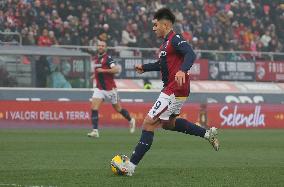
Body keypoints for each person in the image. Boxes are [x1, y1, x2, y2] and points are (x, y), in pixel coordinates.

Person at [116, 8, 220, 176]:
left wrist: (182, 70)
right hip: (176, 88)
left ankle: (130, 167)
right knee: (169, 124)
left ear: (165, 24)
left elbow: (191, 54)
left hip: (174, 87)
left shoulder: (175, 39)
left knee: (149, 123)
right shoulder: (166, 43)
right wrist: (145, 67)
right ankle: (208, 134)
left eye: (155, 25)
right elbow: (162, 64)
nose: (153, 28)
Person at [87, 39, 136, 138]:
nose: (100, 47)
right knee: (94, 107)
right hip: (99, 88)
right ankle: (95, 131)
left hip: (110, 89)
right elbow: (98, 71)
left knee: (118, 109)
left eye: (102, 46)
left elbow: (116, 69)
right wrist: (94, 75)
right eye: (99, 45)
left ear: (105, 48)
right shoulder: (96, 58)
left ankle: (131, 120)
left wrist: (103, 70)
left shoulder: (108, 59)